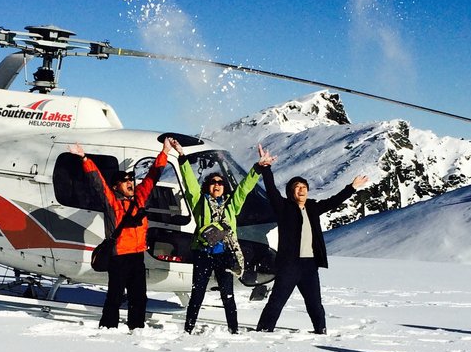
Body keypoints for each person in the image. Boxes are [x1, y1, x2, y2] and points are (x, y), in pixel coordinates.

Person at [254, 147, 368, 333]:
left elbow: (333, 201)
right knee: (277, 301)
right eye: (297, 188)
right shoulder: (283, 207)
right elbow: (271, 190)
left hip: (309, 265)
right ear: (291, 193)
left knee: (315, 303)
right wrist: (266, 168)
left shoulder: (313, 207)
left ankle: (320, 330)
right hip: (289, 264)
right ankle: (264, 330)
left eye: (304, 187)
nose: (301, 190)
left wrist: (352, 187)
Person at [71, 138, 174, 330]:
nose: (129, 183)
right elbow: (98, 182)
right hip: (119, 257)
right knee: (115, 296)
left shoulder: (140, 198)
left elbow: (153, 176)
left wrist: (165, 152)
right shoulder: (112, 203)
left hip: (137, 256)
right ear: (116, 187)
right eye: (124, 181)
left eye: (130, 180)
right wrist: (84, 159)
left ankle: (137, 327)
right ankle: (108, 326)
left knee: (139, 296)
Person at [171, 139, 271, 333]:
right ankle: (189, 328)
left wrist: (257, 168)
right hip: (203, 253)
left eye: (220, 183)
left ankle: (233, 329)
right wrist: (182, 157)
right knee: (197, 293)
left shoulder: (231, 205)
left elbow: (244, 188)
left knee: (228, 294)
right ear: (207, 186)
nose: (217, 185)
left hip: (224, 254)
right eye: (213, 183)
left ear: (224, 187)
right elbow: (189, 182)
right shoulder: (199, 202)